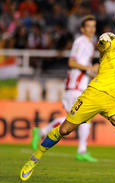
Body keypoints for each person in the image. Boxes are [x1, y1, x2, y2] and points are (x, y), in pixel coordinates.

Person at [20, 8, 115, 183]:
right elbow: (103, 43)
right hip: (95, 96)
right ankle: (34, 159)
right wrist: (103, 40)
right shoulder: (111, 39)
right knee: (64, 130)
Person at [31, 15, 98, 162]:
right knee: (81, 119)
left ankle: (41, 131)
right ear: (82, 29)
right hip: (74, 87)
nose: (92, 29)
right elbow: (72, 63)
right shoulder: (80, 42)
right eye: (89, 26)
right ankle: (81, 150)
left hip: (80, 87)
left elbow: (85, 68)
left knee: (77, 119)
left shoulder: (90, 44)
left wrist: (93, 71)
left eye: (94, 26)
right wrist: (90, 68)